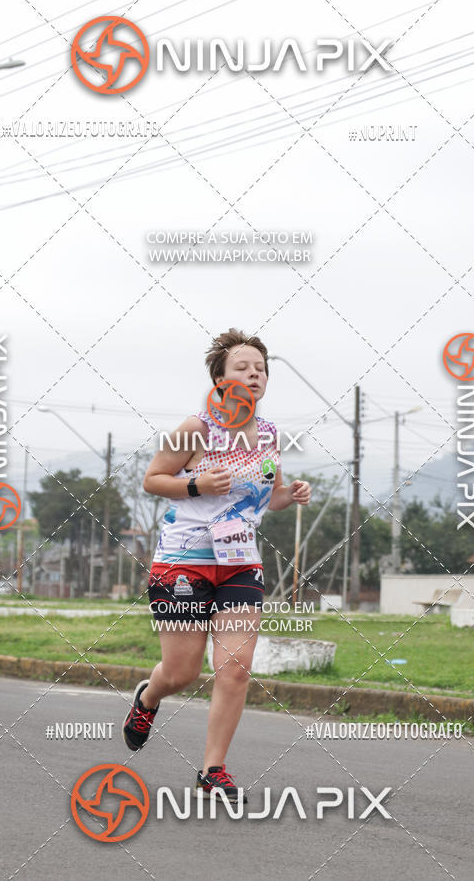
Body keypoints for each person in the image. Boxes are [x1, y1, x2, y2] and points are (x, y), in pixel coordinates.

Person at [122, 328, 311, 803]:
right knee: (181, 673)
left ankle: (212, 770)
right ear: (220, 377)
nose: (254, 374)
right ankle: (148, 697)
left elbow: (272, 496)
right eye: (243, 367)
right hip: (183, 561)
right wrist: (195, 486)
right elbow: (153, 479)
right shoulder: (195, 427)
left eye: (261, 368)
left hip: (240, 561)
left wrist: (293, 494)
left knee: (235, 669)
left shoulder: (268, 435)